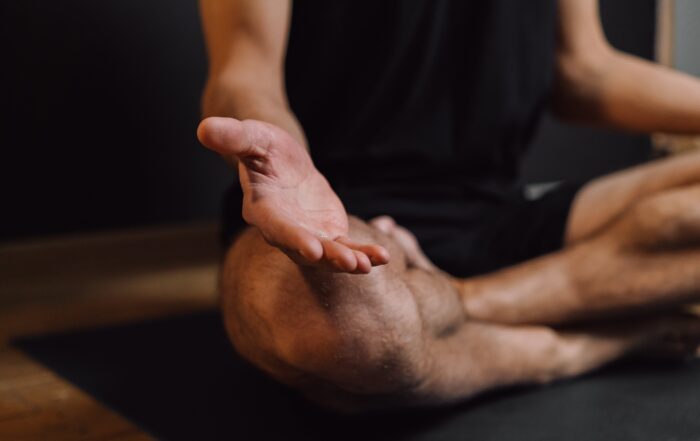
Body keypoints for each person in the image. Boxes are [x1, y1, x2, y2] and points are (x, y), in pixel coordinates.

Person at [196, 0, 700, 411]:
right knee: (347, 334)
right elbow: (245, 74)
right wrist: (284, 159)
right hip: (337, 217)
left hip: (501, 213)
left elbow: (584, 73)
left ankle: (462, 300)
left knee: (382, 347)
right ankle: (566, 348)